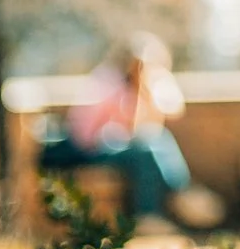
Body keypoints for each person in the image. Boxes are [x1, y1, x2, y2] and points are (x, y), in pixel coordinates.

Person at [40, 33, 216, 231]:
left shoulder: (142, 83)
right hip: (88, 149)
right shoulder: (108, 80)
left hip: (112, 143)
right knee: (145, 153)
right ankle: (151, 213)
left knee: (160, 139)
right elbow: (92, 132)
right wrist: (140, 86)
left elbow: (170, 111)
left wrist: (149, 83)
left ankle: (182, 190)